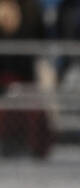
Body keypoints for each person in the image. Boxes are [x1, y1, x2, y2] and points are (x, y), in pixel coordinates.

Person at [0, 0, 52, 157]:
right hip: (2, 77)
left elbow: (39, 43)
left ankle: (36, 150)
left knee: (37, 108)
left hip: (25, 77)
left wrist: (16, 28)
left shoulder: (32, 10)